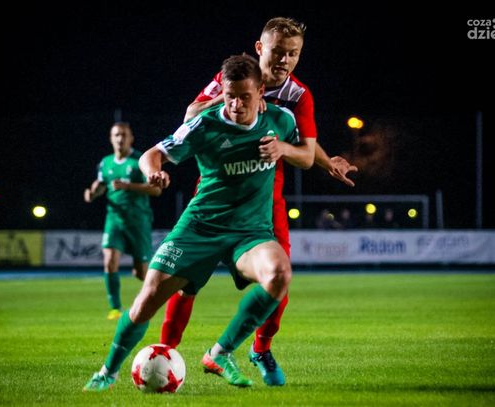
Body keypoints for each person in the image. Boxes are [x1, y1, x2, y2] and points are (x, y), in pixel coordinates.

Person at [159, 17, 358, 386]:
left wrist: (318, 159)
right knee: (186, 281)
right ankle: (164, 353)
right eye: (278, 51)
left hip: (265, 203)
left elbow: (304, 148)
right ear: (260, 48)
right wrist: (235, 97)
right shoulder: (236, 78)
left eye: (293, 54)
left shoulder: (299, 95)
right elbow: (190, 115)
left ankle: (259, 348)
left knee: (279, 280)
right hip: (216, 196)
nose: (285, 60)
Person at [83, 54, 299, 391]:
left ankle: (221, 352)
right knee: (146, 300)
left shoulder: (281, 120)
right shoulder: (205, 125)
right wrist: (153, 172)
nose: (236, 105)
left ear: (260, 92)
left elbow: (306, 151)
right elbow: (152, 154)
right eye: (229, 96)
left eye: (244, 97)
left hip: (250, 232)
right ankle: (106, 372)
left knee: (279, 273)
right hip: (199, 228)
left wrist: (309, 156)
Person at [84, 122, 162, 320]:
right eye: (116, 135)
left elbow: (156, 190)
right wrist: (92, 193)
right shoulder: (106, 163)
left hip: (138, 221)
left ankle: (164, 294)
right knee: (109, 261)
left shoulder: (140, 161)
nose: (120, 139)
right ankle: (116, 308)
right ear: (111, 139)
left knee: (141, 273)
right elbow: (101, 185)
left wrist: (128, 186)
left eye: (124, 135)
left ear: (131, 138)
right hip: (114, 220)